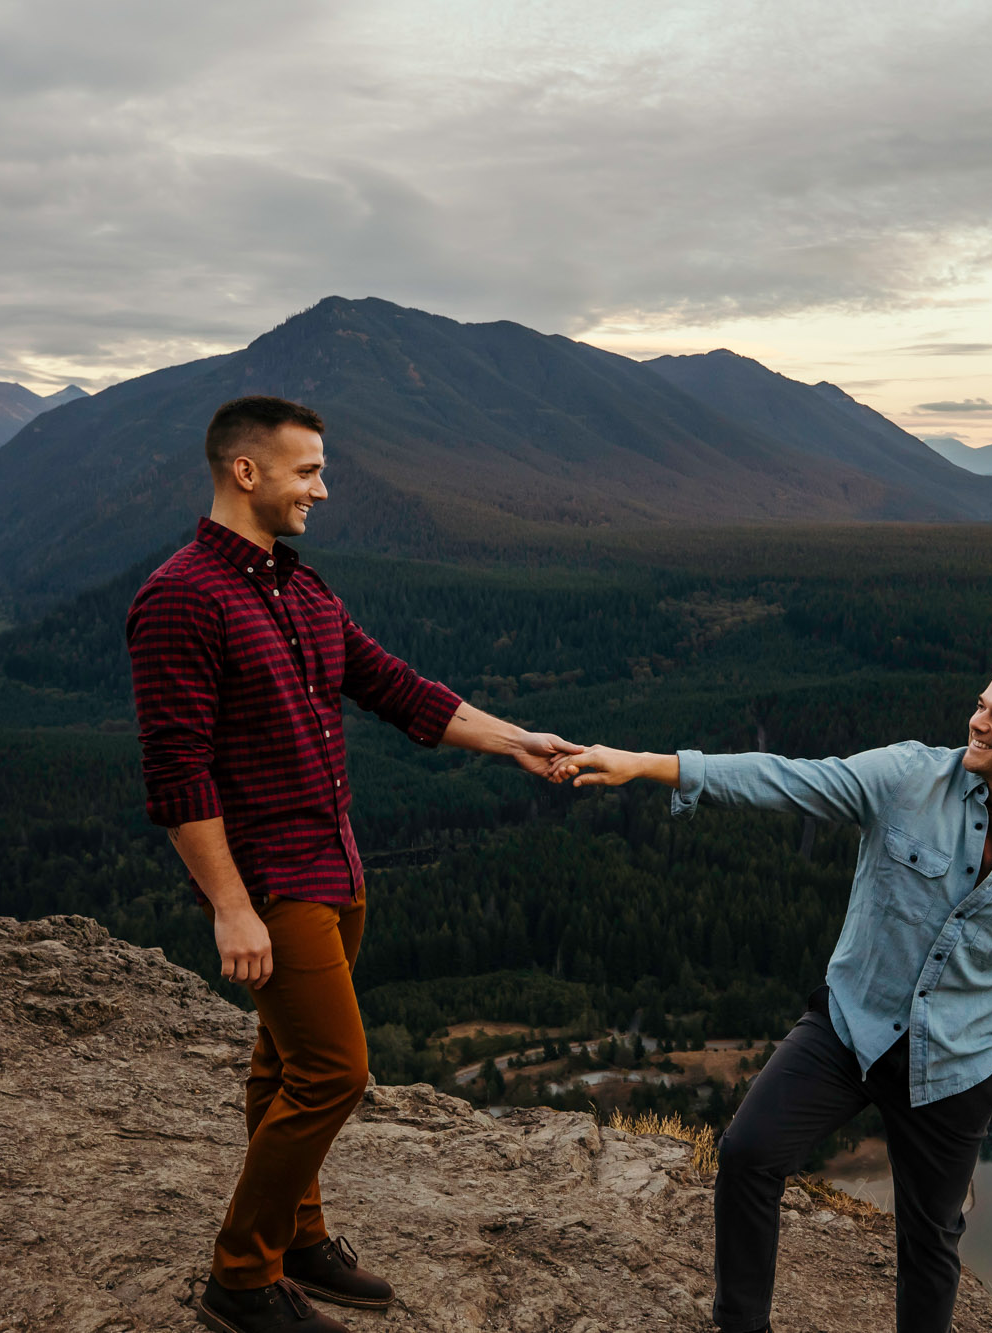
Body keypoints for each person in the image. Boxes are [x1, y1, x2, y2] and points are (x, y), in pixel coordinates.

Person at [127, 395, 582, 1333]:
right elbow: (177, 774)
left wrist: (515, 741)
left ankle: (298, 1234)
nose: (322, 490)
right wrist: (230, 906)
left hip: (338, 868)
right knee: (333, 1072)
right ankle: (241, 1277)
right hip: (275, 883)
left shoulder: (300, 590)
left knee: (282, 1061)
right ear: (244, 471)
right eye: (308, 471)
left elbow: (398, 688)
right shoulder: (180, 597)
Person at [552, 661, 992, 1333]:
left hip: (958, 1066)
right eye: (980, 704)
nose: (977, 720)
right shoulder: (909, 776)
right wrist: (648, 764)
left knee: (930, 1240)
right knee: (748, 1154)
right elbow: (791, 779)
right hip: (850, 1028)